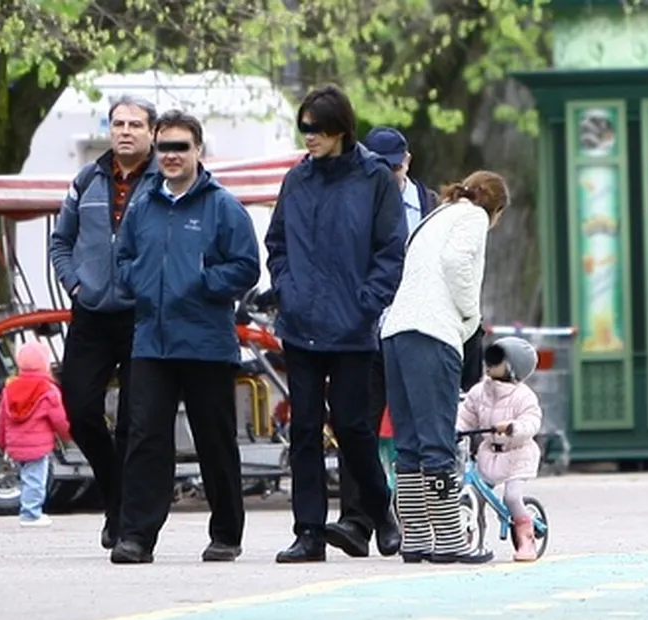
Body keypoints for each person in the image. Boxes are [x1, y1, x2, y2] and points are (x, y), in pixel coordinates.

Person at [108, 109, 261, 564]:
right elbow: (124, 259)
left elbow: (246, 267)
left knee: (214, 440)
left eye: (181, 147)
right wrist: (139, 281)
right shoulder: (143, 204)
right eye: (165, 147)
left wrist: (200, 282)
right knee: (145, 438)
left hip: (205, 342)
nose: (171, 156)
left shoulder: (223, 207)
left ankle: (226, 533)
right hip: (151, 341)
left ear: (198, 151)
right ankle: (136, 536)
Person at [264, 86, 406, 564]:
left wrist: (366, 305)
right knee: (304, 428)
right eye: (303, 129)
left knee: (353, 426)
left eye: (316, 130)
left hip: (351, 327)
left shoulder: (375, 179)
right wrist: (286, 288)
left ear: (340, 129)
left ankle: (380, 509)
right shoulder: (296, 180)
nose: (309, 138)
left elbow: (390, 251)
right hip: (300, 324)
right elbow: (277, 242)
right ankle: (308, 531)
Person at [380, 169, 511, 565]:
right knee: (438, 438)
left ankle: (416, 538)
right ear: (496, 208)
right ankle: (451, 538)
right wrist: (471, 313)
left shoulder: (434, 216)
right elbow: (456, 262)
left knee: (409, 442)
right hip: (434, 331)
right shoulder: (472, 217)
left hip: (395, 329)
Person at [48, 95, 160, 550]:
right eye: (118, 123)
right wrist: (77, 286)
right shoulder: (86, 180)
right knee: (79, 410)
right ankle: (114, 489)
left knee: (134, 422)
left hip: (140, 315)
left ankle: (124, 517)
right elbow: (61, 242)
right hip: (90, 313)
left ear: (152, 131)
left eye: (135, 124)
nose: (126, 131)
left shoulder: (162, 181)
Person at [325, 126, 440, 558]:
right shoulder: (354, 201)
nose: (388, 173)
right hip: (367, 332)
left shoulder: (431, 208)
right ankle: (357, 521)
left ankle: (422, 522)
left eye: (394, 165)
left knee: (419, 428)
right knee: (356, 426)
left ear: (406, 161)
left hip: (415, 331)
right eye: (381, 165)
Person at [457, 336, 543, 562]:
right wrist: (456, 430)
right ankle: (472, 537)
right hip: (489, 454)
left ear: (513, 368)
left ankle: (526, 539)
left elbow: (532, 422)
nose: (490, 365)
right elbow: (466, 416)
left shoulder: (523, 396)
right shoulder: (479, 391)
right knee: (475, 494)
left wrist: (514, 428)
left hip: (517, 454)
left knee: (512, 498)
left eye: (497, 361)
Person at [0, 340, 73, 528]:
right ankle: (31, 513)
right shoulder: (48, 390)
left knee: (26, 478)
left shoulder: (10, 388)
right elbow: (59, 418)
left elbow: (1, 419)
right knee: (36, 479)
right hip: (38, 447)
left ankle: (27, 508)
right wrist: (68, 435)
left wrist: (0, 441)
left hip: (15, 446)